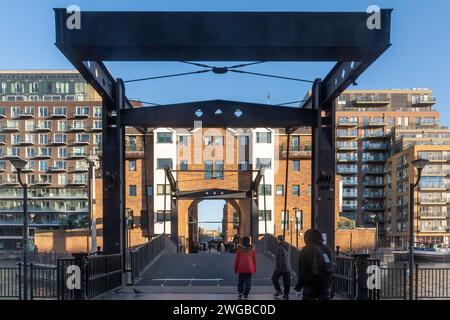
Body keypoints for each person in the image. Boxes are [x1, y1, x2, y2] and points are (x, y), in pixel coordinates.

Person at [295, 229, 334, 300]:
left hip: (310, 285)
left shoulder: (306, 249)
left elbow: (302, 270)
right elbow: (330, 266)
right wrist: (329, 285)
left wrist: (299, 286)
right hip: (325, 284)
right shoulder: (326, 249)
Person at [272, 235, 291, 300]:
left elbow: (279, 259)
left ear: (279, 240)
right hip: (287, 267)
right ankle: (286, 295)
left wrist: (278, 269)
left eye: (277, 239)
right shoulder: (288, 246)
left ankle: (279, 291)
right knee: (287, 281)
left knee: (274, 278)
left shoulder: (279, 248)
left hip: (281, 267)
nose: (276, 240)